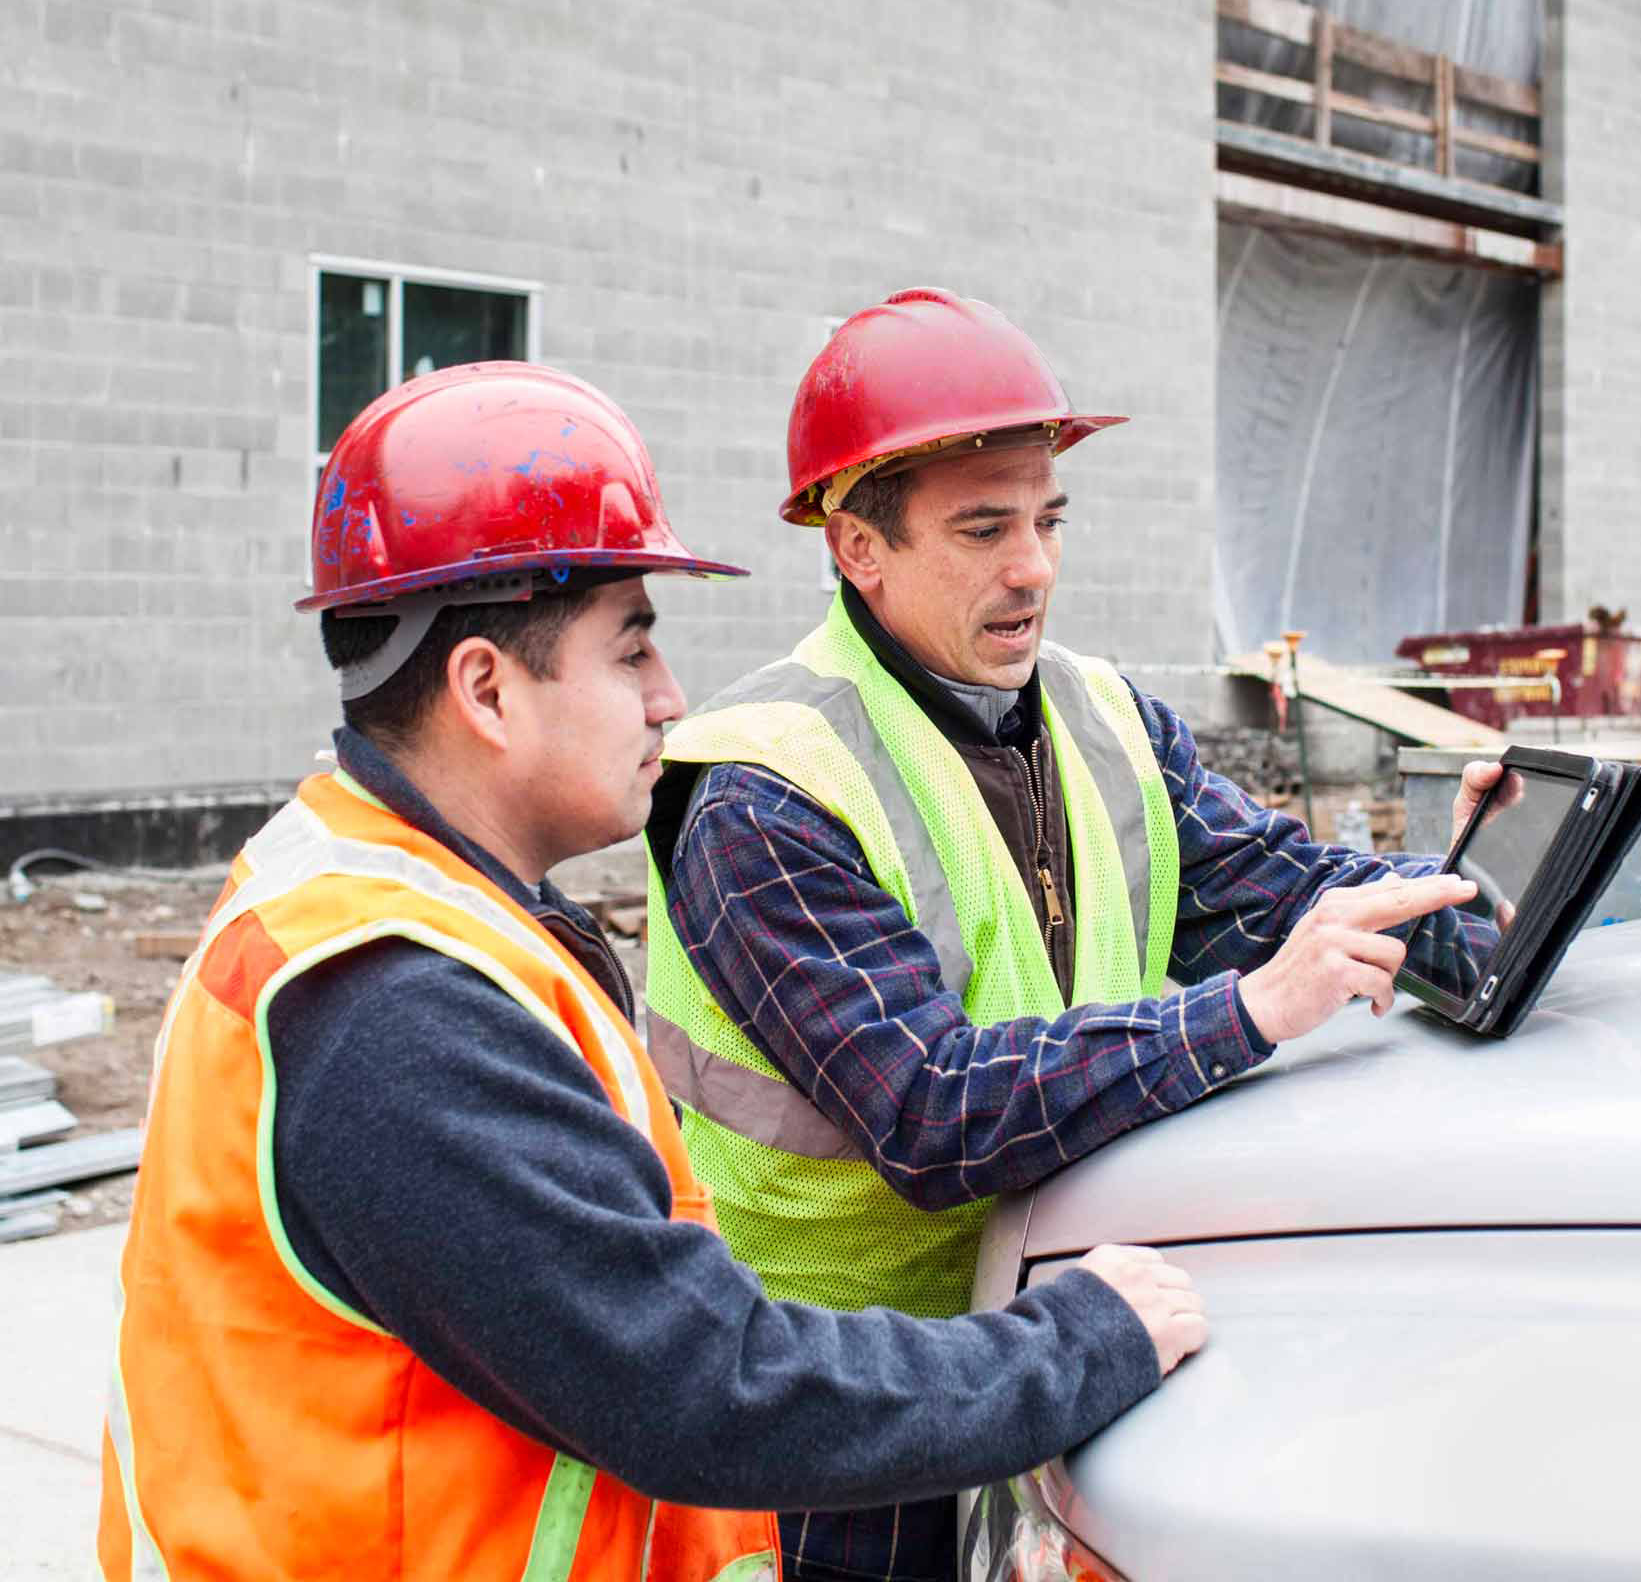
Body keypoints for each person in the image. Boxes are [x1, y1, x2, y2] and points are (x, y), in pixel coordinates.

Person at [97, 362, 1206, 1582]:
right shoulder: (394, 1011)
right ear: (486, 689)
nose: (670, 699)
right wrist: (1080, 1343)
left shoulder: (413, 905)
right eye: (632, 653)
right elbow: (706, 1386)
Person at [645, 288, 1498, 1582]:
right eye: (982, 528)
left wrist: (1473, 909)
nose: (1033, 566)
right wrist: (1251, 1011)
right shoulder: (761, 793)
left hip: (1071, 1318)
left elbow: (1281, 889)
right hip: (855, 1406)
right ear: (856, 548)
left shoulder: (1104, 717)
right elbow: (930, 1111)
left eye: (1046, 520)